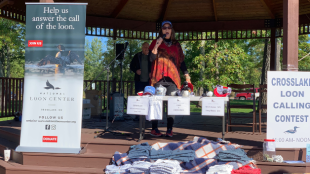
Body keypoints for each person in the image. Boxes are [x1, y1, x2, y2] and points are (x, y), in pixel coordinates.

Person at [149, 21, 191, 137]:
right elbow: (151, 58)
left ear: (171, 30)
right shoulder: (155, 42)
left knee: (172, 104)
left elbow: (181, 61)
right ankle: (154, 129)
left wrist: (186, 74)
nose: (166, 30)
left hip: (173, 78)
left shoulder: (176, 44)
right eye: (164, 28)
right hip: (158, 78)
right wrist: (157, 45)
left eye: (168, 28)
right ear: (161, 30)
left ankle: (169, 129)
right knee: (157, 104)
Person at [130, 42, 152, 121]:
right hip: (139, 81)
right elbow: (131, 66)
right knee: (139, 98)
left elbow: (155, 66)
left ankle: (147, 116)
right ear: (142, 48)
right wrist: (136, 71)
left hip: (148, 81)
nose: (146, 48)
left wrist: (151, 72)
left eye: (147, 47)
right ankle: (138, 116)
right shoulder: (137, 56)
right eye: (145, 47)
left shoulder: (151, 56)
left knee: (148, 98)